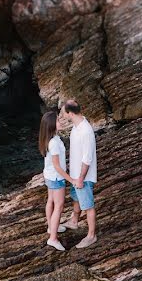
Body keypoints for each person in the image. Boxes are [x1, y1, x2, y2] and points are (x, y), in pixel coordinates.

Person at [59, 99, 97, 248]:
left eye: (63, 113)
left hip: (84, 177)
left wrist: (81, 178)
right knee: (76, 198)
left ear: (70, 113)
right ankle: (74, 221)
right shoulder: (76, 126)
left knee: (88, 205)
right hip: (75, 175)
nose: (62, 115)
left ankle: (91, 235)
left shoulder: (86, 131)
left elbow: (87, 158)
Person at [39, 110, 71, 251]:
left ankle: (52, 226)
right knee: (59, 205)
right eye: (58, 120)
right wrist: (71, 179)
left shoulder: (50, 139)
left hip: (49, 176)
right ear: (52, 125)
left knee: (51, 201)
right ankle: (52, 238)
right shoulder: (54, 143)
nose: (61, 121)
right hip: (56, 178)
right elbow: (58, 167)